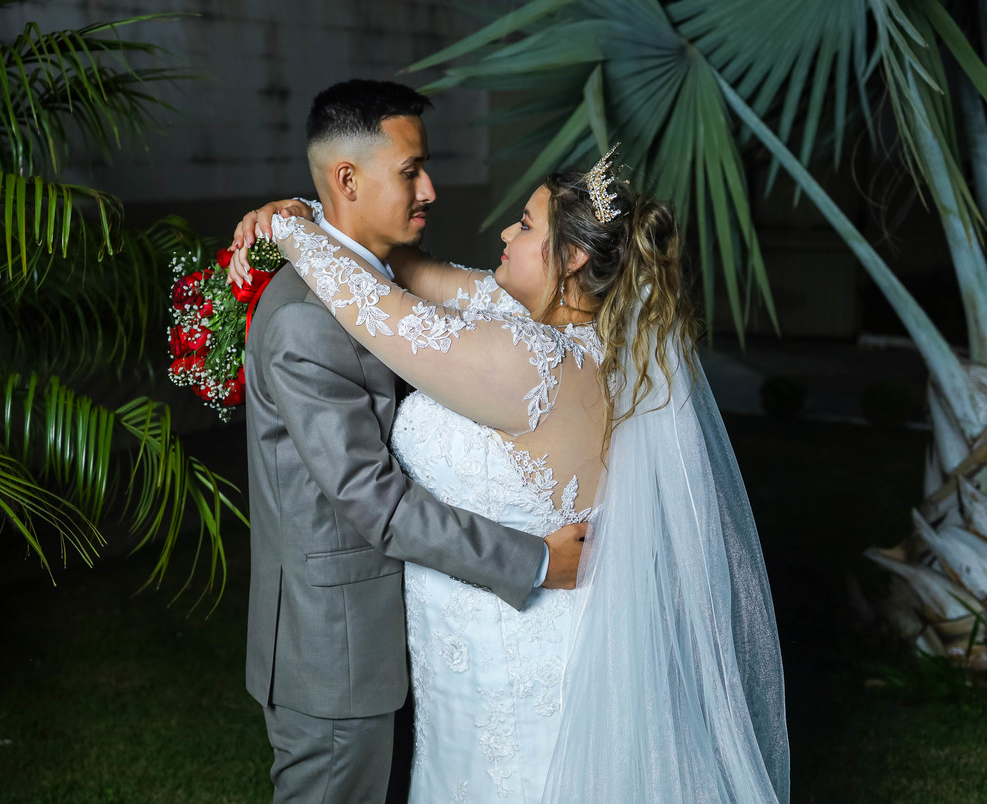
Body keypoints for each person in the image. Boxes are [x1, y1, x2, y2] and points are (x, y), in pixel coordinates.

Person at [236, 145, 790, 801]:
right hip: (521, 637)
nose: (505, 232)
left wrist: (289, 225)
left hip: (511, 654)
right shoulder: (603, 342)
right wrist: (318, 214)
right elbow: (412, 270)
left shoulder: (528, 362)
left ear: (573, 257)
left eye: (525, 225)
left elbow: (371, 302)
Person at [230, 79, 587, 804]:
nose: (430, 190)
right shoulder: (305, 318)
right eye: (410, 171)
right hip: (336, 649)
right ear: (347, 180)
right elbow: (374, 500)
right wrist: (532, 561)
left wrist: (295, 217)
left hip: (408, 633)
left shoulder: (380, 286)